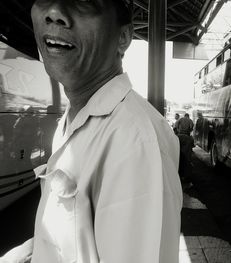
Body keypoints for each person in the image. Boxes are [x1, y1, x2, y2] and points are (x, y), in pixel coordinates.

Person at [1, 0, 182, 262]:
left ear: (123, 37)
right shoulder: (76, 118)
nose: (54, 13)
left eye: (83, 1)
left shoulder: (135, 142)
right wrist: (35, 249)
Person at [175, 113, 194, 182]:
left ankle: (178, 173)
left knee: (179, 155)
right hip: (187, 137)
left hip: (179, 137)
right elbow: (192, 128)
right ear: (188, 116)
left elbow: (175, 126)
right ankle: (185, 176)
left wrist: (178, 131)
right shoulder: (190, 120)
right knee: (187, 157)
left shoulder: (180, 119)